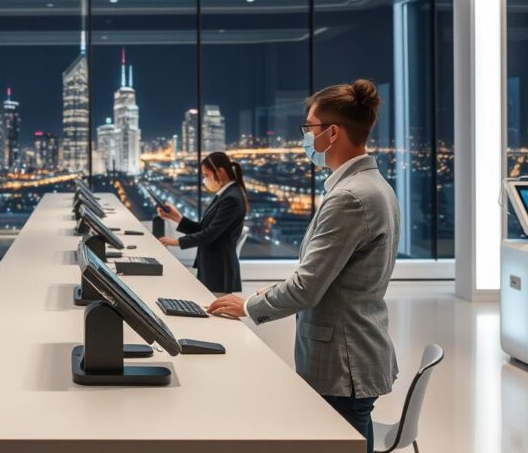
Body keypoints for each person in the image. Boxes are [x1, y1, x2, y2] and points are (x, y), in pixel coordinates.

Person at [207, 79, 399, 453]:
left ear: (332, 133)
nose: (305, 138)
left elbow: (308, 287)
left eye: (308, 129)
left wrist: (248, 307)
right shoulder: (373, 185)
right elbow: (327, 273)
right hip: (354, 349)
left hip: (343, 362)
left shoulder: (350, 197)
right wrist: (265, 294)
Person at [156, 151, 248, 293]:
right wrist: (176, 217)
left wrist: (176, 242)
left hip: (219, 269)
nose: (204, 180)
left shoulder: (232, 198)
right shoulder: (224, 195)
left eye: (206, 175)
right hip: (211, 266)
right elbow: (203, 228)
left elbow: (210, 234)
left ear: (220, 172)